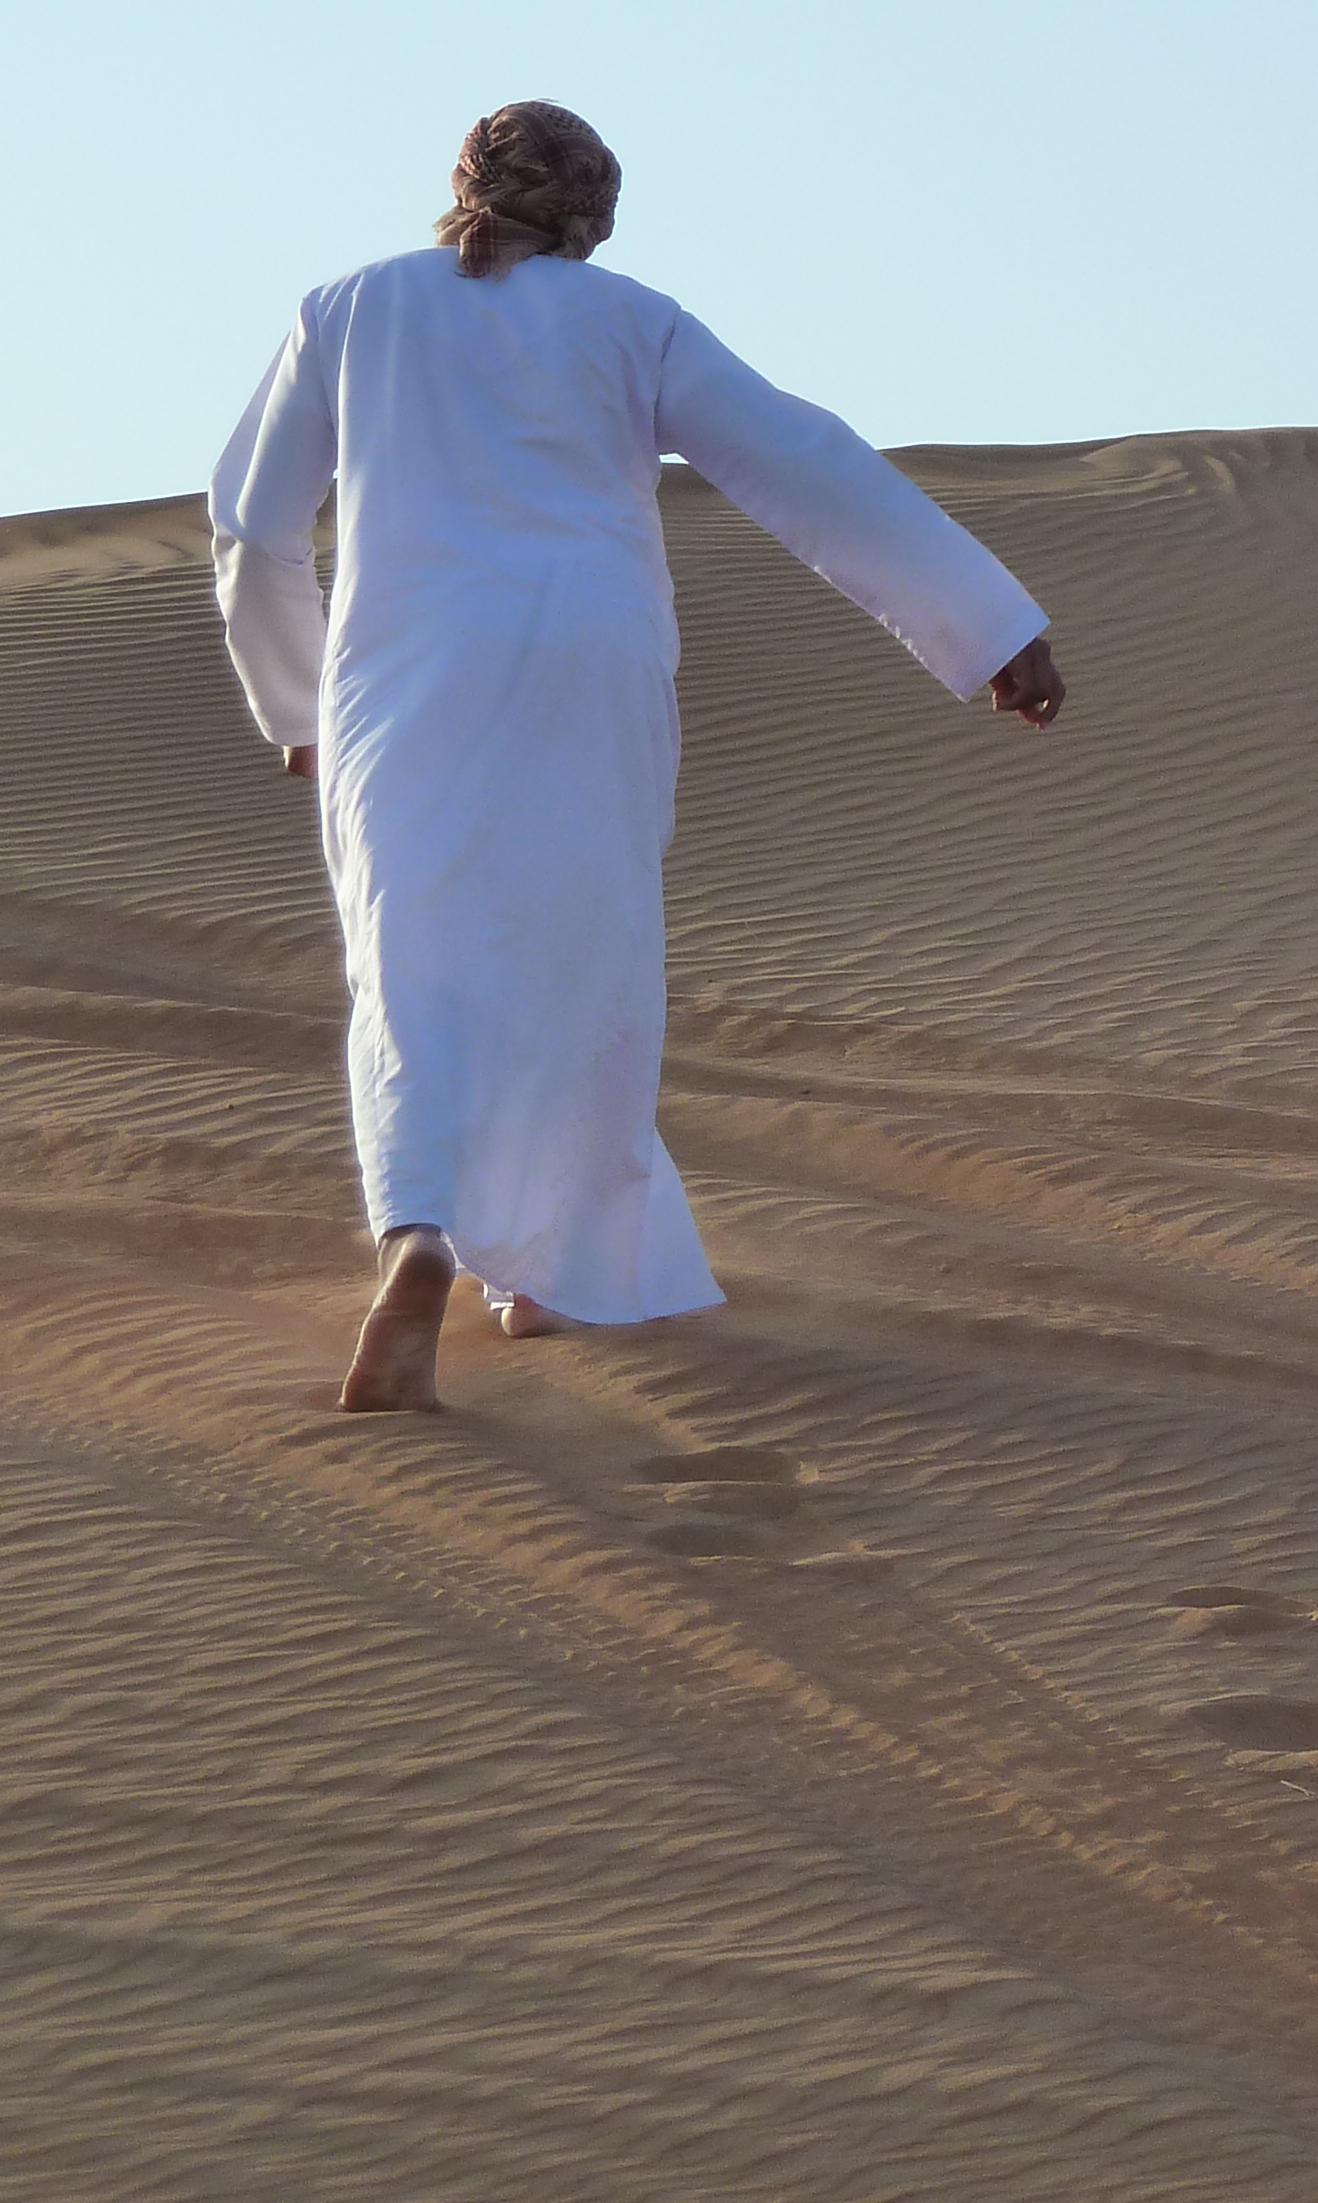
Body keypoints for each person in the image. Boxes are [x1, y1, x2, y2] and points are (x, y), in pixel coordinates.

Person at [210, 101, 1065, 1415]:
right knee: (580, 954)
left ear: (465, 187)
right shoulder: (635, 324)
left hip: (406, 669)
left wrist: (296, 703)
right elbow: (806, 461)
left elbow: (254, 528)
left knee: (414, 960)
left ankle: (421, 1233)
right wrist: (991, 628)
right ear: (593, 215)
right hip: (589, 665)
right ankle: (551, 1272)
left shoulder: (350, 311)